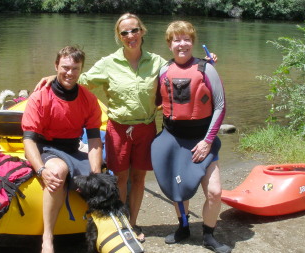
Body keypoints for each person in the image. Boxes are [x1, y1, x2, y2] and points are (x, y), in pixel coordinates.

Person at [35, 13, 217, 243]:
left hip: (145, 127)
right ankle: (120, 224)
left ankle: (133, 223)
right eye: (125, 32)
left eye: (134, 30)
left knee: (139, 178)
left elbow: (184, 69)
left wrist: (206, 64)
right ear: (119, 36)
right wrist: (55, 75)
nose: (130, 36)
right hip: (118, 128)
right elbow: (81, 79)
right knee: (120, 179)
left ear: (142, 31)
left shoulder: (158, 62)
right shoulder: (109, 63)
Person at [151, 21, 231, 253]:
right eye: (177, 39)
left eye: (186, 39)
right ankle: (183, 227)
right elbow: (156, 100)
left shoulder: (207, 69)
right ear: (169, 44)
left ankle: (209, 235)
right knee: (179, 190)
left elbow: (220, 106)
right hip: (173, 138)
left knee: (215, 192)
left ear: (193, 42)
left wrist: (207, 141)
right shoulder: (163, 70)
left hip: (202, 139)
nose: (182, 44)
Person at [22, 46, 103, 253]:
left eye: (75, 69)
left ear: (81, 70)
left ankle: (102, 229)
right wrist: (41, 170)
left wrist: (95, 174)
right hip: (45, 146)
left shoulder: (88, 99)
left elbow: (94, 140)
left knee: (102, 182)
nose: (70, 73)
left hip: (72, 147)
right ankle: (47, 238)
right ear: (56, 66)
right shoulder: (40, 98)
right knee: (57, 171)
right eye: (65, 67)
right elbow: (29, 140)